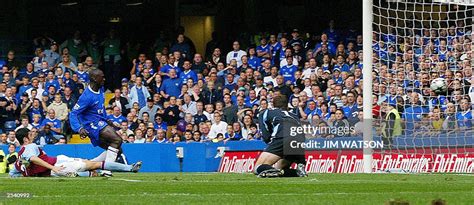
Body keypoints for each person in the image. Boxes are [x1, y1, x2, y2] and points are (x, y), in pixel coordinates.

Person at [69, 69, 128, 163]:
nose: (104, 79)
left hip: (100, 122)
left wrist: (109, 121)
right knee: (117, 140)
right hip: (91, 125)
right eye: (102, 77)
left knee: (117, 149)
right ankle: (106, 170)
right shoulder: (86, 96)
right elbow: (73, 113)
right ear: (94, 79)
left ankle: (91, 164)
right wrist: (79, 128)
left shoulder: (101, 90)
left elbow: (101, 109)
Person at [9, 143, 141, 177]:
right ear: (26, 139)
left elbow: (12, 174)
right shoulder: (30, 147)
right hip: (57, 167)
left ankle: (125, 167)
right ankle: (129, 168)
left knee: (90, 164)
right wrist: (52, 167)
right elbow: (33, 158)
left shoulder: (17, 164)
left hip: (59, 162)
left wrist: (26, 176)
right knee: (93, 165)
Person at [254, 94, 307, 178]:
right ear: (286, 105)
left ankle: (274, 171)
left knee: (258, 167)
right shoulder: (294, 115)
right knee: (279, 168)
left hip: (282, 138)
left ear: (273, 104)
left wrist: (272, 145)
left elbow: (266, 135)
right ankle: (298, 171)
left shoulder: (266, 112)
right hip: (299, 141)